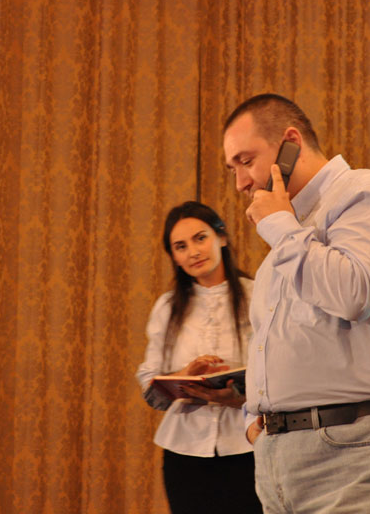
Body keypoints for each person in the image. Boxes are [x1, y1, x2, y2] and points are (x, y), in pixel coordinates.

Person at [222, 94, 370, 513]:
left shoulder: (366, 192)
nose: (241, 183)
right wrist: (255, 423)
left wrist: (278, 224)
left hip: (361, 453)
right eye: (232, 169)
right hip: (279, 466)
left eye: (246, 161)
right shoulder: (286, 243)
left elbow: (354, 293)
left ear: (290, 143)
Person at [135, 201, 262, 514]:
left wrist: (240, 397)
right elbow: (149, 383)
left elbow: (282, 371)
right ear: (174, 257)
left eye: (200, 238)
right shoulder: (167, 307)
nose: (193, 252)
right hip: (185, 452)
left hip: (248, 445)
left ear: (222, 237)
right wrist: (184, 374)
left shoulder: (259, 295)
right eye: (180, 246)